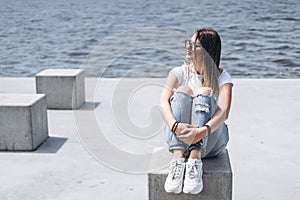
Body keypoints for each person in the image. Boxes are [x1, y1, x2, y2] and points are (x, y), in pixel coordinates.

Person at [159, 28, 233, 194]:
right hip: (180, 140)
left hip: (211, 143)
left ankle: (194, 160)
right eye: (189, 43)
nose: (189, 47)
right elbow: (162, 101)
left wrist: (201, 132)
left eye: (195, 45)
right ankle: (178, 160)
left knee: (204, 92)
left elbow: (224, 112)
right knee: (183, 91)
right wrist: (175, 126)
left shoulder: (223, 77)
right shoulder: (179, 72)